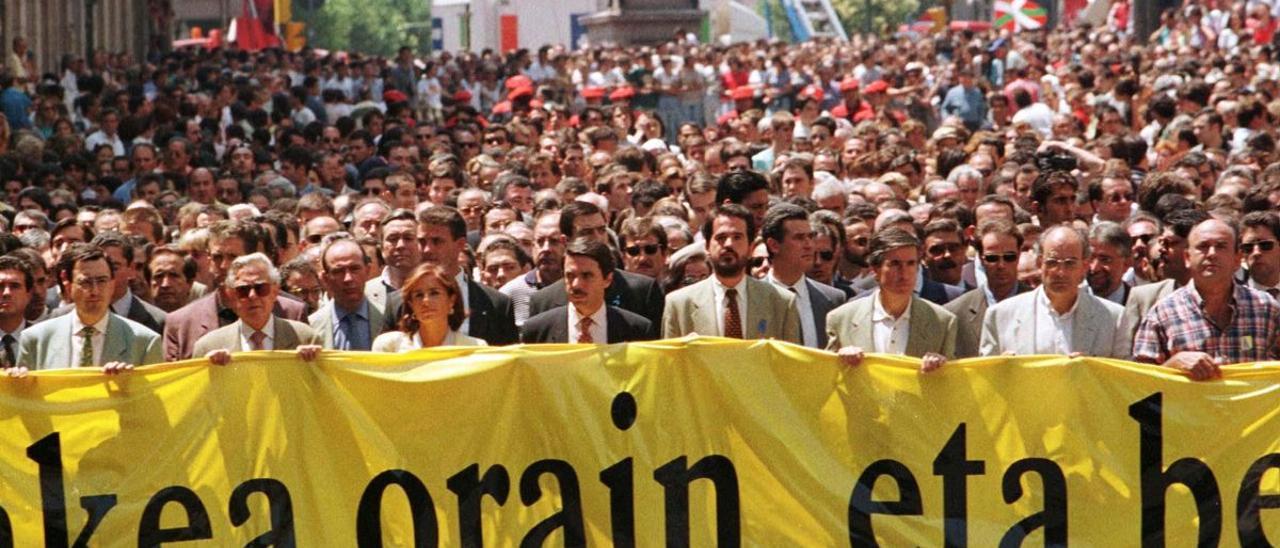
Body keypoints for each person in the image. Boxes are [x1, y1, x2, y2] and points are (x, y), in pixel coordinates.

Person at [1133, 219, 1280, 378]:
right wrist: (1172, 365)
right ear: (1188, 257)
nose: (1212, 254)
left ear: (1237, 259)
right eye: (1203, 246)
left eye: (1221, 246)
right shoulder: (1162, 315)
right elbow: (1140, 386)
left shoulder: (1267, 309)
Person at [164, 220, 308, 361]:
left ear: (253, 258)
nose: (224, 265)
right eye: (217, 257)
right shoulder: (181, 323)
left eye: (233, 257)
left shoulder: (292, 312)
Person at [980, 226, 1131, 358]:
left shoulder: (1113, 318)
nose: (1060, 272)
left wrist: (1092, 371)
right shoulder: (1000, 316)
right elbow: (985, 380)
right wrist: (1002, 369)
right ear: (1040, 264)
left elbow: (1122, 379)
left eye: (1070, 263)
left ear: (1084, 266)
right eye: (1052, 262)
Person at [662, 204, 801, 341]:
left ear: (751, 247)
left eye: (737, 237)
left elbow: (791, 362)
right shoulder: (679, 305)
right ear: (707, 246)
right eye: (721, 238)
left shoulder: (781, 303)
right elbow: (669, 362)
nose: (729, 244)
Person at [827, 228, 956, 372]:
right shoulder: (841, 319)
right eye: (895, 264)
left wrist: (941, 367)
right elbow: (826, 378)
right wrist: (839, 361)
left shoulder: (942, 321)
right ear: (876, 269)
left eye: (911, 263)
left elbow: (949, 382)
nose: (904, 273)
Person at [18, 243, 162, 372]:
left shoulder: (144, 342)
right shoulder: (36, 339)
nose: (95, 291)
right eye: (85, 282)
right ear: (67, 283)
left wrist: (128, 384)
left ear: (112, 283)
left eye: (102, 281)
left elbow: (152, 398)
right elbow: (24, 398)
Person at [528, 201, 665, 328]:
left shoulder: (642, 291)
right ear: (565, 240)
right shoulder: (543, 302)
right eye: (587, 232)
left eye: (601, 230)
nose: (598, 238)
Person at [521, 238, 658, 344]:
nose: (576, 285)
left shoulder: (637, 330)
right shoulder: (537, 331)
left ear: (607, 280)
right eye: (570, 276)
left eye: (586, 276)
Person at [416, 206, 518, 345]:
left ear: (460, 244)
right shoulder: (399, 302)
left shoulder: (496, 304)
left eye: (437, 241)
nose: (427, 249)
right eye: (422, 242)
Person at [194, 253, 322, 364]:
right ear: (231, 296)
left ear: (274, 291)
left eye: (261, 288)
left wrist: (310, 363)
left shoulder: (306, 339)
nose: (252, 296)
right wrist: (211, 370)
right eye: (243, 290)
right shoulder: (208, 347)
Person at [761, 204, 846, 349]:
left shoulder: (832, 300)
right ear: (774, 245)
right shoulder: (752, 297)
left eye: (810, 236)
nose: (809, 245)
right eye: (799, 238)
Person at [945, 219, 1027, 359]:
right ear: (981, 259)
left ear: (1019, 255)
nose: (1001, 265)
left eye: (1009, 257)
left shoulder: (1040, 305)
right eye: (992, 258)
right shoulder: (954, 314)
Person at [372, 263, 487, 350]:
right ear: (411, 305)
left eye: (434, 293)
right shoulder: (390, 348)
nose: (425, 301)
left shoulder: (475, 349)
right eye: (418, 295)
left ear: (451, 300)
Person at [310, 238, 399, 350]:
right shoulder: (311, 327)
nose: (348, 278)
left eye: (355, 269)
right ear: (325, 278)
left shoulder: (390, 322)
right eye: (338, 271)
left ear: (367, 270)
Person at [0, 256, 33, 370]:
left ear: (29, 294)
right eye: (0, 286)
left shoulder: (42, 339)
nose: (6, 293)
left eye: (15, 286)